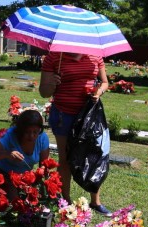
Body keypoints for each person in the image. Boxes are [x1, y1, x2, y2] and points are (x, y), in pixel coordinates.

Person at [39, 52, 111, 216]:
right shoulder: (54, 57)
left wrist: (98, 92)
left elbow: (105, 82)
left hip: (89, 115)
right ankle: (65, 199)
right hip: (64, 115)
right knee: (65, 159)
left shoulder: (95, 55)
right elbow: (44, 92)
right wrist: (52, 84)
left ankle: (95, 201)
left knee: (95, 155)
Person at [0, 109, 50, 200]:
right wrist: (7, 154)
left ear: (40, 129)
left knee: (35, 197)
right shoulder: (10, 135)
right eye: (27, 132)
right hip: (3, 172)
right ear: (20, 130)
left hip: (23, 176)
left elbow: (44, 165)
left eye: (35, 132)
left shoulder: (42, 138)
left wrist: (38, 181)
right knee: (14, 198)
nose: (31, 136)